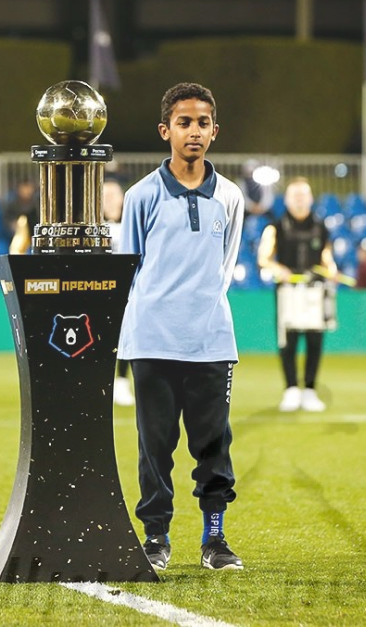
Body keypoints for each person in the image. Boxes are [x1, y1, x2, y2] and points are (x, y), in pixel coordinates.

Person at [117, 82, 245, 571]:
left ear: (215, 131)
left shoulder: (230, 196)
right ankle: (155, 538)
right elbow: (130, 267)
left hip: (210, 342)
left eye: (202, 123)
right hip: (152, 341)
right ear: (164, 130)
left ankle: (215, 539)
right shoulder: (141, 196)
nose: (194, 131)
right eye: (184, 122)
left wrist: (200, 307)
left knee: (213, 446)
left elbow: (225, 265)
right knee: (155, 447)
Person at [257, 178, 337, 412]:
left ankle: (310, 389)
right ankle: (291, 389)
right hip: (287, 291)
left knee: (315, 340)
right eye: (295, 195)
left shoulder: (321, 227)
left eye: (304, 195)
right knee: (288, 340)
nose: (300, 199)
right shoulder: (276, 227)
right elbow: (264, 259)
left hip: (314, 290)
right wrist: (279, 270)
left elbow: (326, 256)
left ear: (311, 198)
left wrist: (331, 270)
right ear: (287, 199)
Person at [102, 178, 134, 407]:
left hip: (128, 289)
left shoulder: (131, 223)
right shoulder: (93, 226)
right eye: (104, 196)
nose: (110, 200)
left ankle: (122, 381)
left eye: (113, 195)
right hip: (102, 289)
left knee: (126, 336)